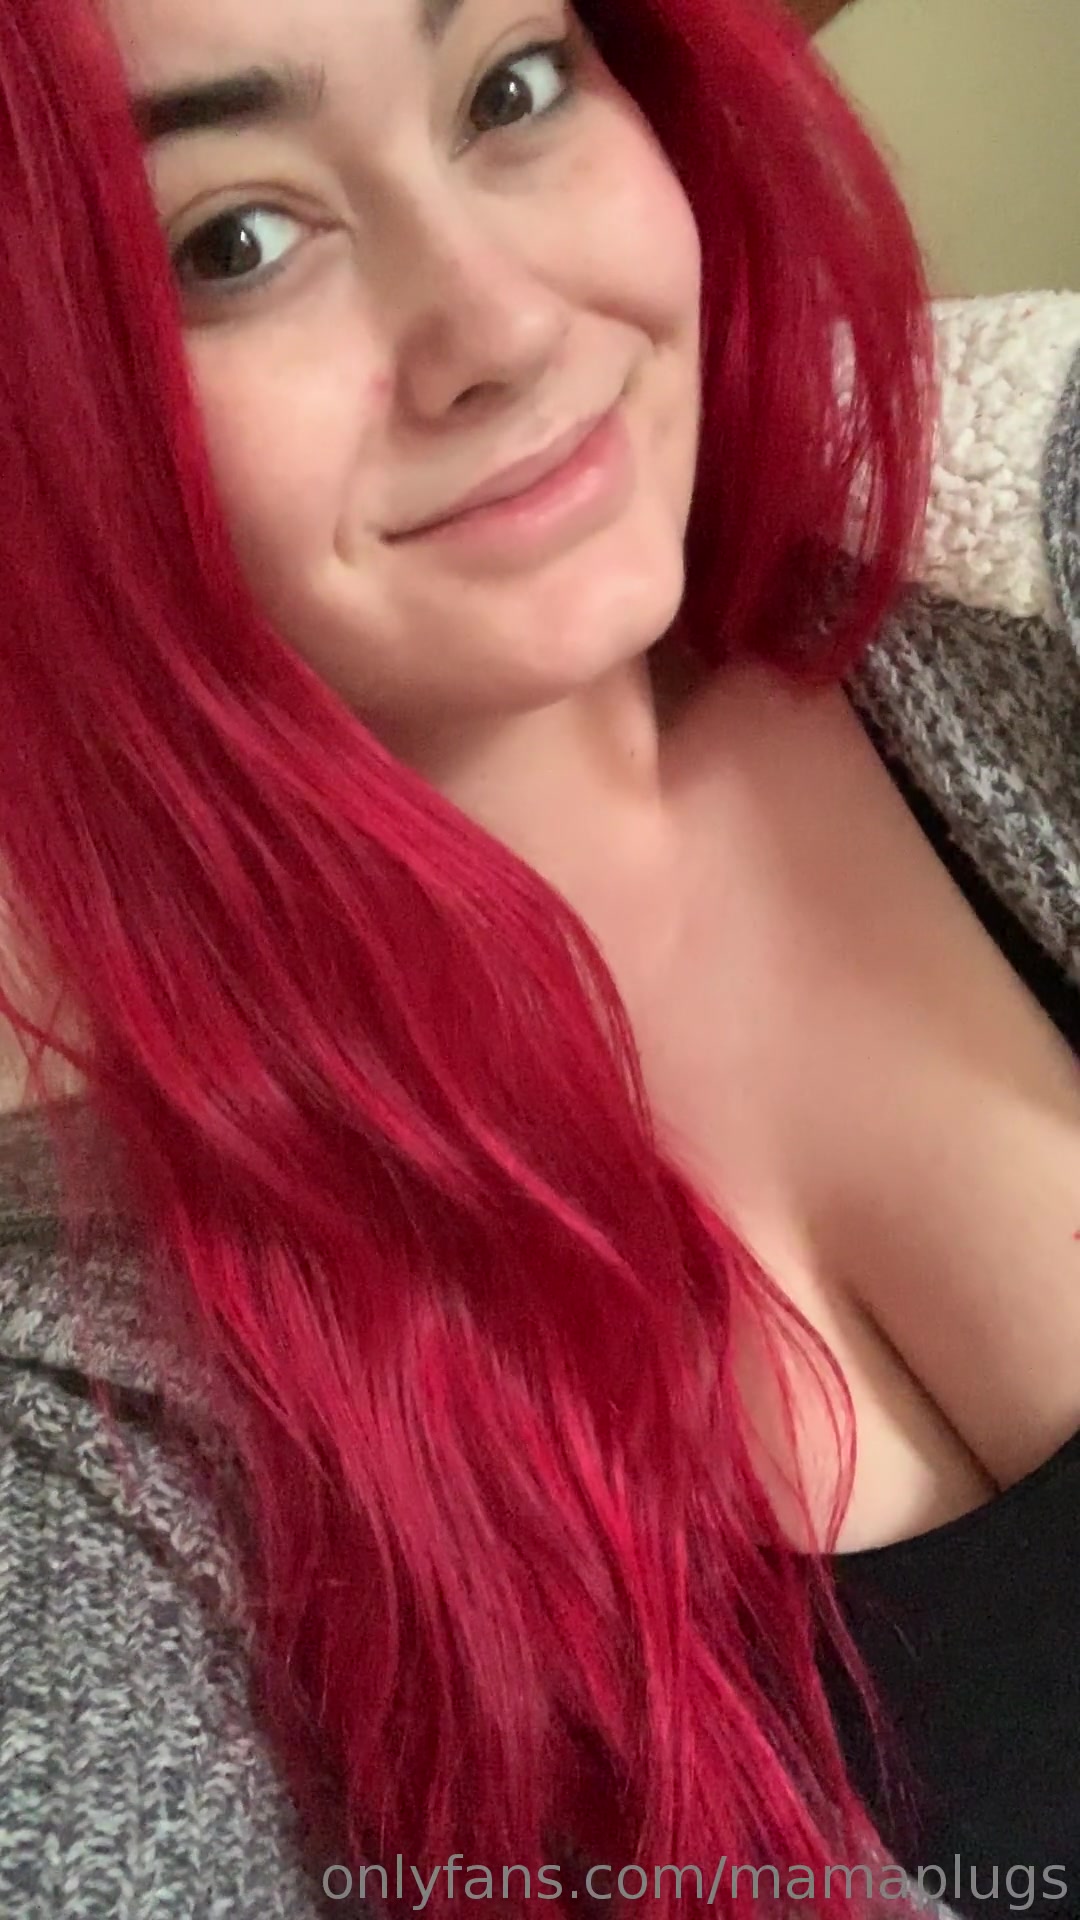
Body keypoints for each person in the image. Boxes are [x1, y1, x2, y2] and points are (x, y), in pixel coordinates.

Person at [0, 0, 1077, 1913]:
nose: (499, 327)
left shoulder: (1024, 596)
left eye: (511, 85)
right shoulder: (93, 1415)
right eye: (230, 241)